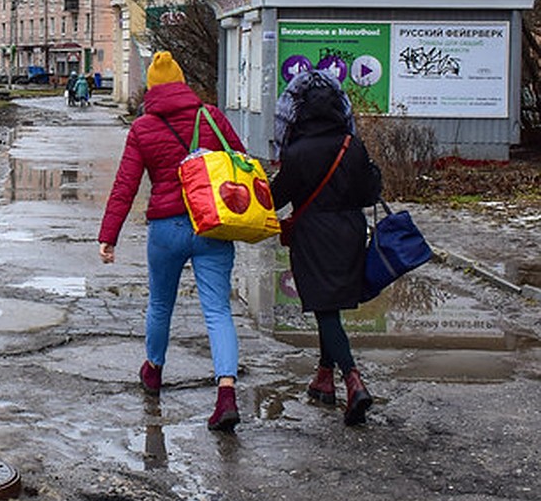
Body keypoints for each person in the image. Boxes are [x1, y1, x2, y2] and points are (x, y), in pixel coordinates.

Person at [98, 51, 248, 432]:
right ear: (182, 83)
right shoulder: (211, 116)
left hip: (166, 229)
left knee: (160, 303)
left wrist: (108, 237)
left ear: (151, 88)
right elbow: (241, 161)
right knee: (217, 310)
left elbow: (125, 185)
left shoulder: (143, 128)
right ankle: (226, 392)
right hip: (211, 225)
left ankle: (153, 370)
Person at [270, 69, 383, 426]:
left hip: (313, 234)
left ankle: (353, 380)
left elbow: (276, 198)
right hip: (350, 231)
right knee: (329, 305)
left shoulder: (297, 151)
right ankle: (324, 379)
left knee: (326, 310)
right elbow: (369, 192)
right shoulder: (352, 144)